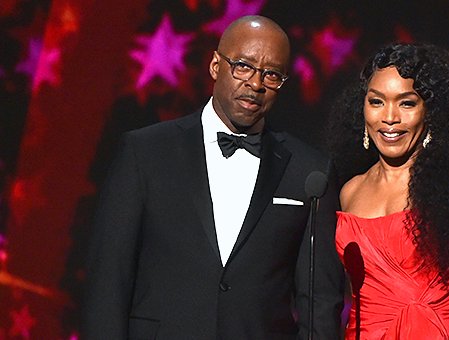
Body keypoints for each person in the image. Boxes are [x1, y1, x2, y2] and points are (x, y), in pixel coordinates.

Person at [82, 15, 344, 339]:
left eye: (271, 74)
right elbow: (108, 281)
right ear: (216, 66)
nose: (256, 84)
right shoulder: (145, 153)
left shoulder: (309, 172)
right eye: (243, 66)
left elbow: (319, 303)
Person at [328, 43, 449, 339]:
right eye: (376, 102)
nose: (390, 117)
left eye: (406, 103)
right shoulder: (349, 192)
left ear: (429, 111)